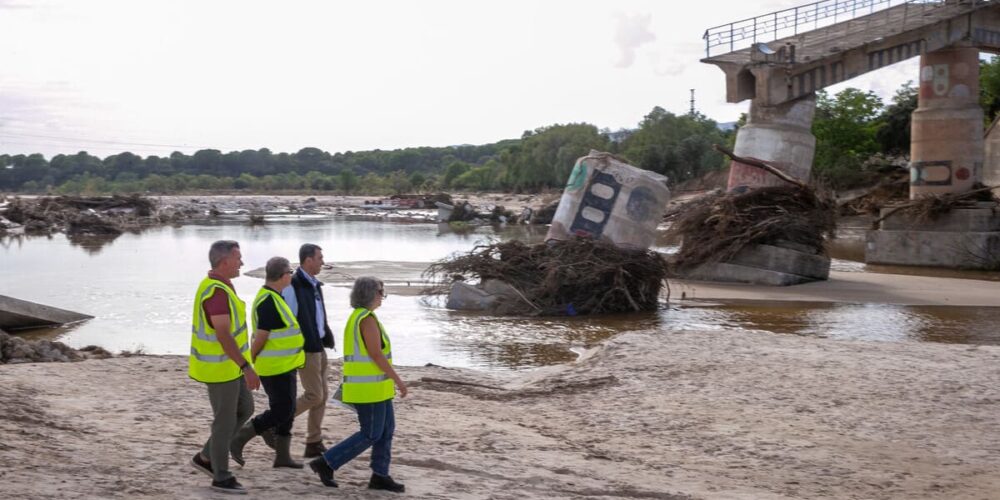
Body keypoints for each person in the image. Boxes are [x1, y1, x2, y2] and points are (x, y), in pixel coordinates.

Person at [309, 276, 407, 493]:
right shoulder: (366, 319)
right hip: (367, 390)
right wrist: (398, 380)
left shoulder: (363, 317)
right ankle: (326, 462)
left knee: (387, 429)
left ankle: (380, 475)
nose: (383, 297)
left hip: (377, 388)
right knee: (371, 433)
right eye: (381, 292)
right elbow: (376, 355)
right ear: (370, 293)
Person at [189, 240, 259, 495]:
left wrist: (243, 365)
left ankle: (206, 457)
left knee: (246, 409)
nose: (241, 262)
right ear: (225, 261)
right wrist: (247, 366)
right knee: (224, 421)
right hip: (220, 368)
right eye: (238, 258)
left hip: (231, 366)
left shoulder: (222, 287)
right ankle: (221, 476)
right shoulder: (216, 292)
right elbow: (223, 335)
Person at [230, 257, 306, 469]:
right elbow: (261, 337)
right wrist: (248, 366)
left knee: (288, 410)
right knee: (281, 410)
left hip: (286, 365)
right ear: (283, 275)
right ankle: (240, 438)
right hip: (273, 368)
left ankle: (282, 456)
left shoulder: (276, 297)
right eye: (290, 272)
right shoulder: (268, 301)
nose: (292, 275)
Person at [282, 243, 335, 458]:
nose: (323, 261)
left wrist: (326, 335)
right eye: (320, 257)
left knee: (322, 396)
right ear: (308, 260)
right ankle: (278, 419)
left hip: (319, 346)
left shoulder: (314, 284)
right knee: (314, 395)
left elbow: (318, 315)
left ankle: (313, 441)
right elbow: (290, 317)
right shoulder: (294, 284)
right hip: (306, 348)